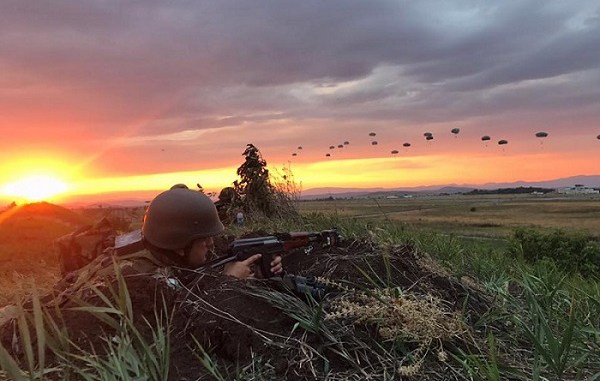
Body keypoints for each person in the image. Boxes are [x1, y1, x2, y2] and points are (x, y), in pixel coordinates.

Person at [141, 186, 283, 278]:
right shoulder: (146, 279)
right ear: (179, 247)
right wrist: (228, 280)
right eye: (204, 239)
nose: (211, 244)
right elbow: (187, 309)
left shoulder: (167, 253)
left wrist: (258, 273)